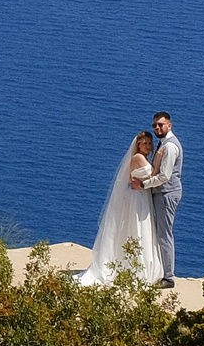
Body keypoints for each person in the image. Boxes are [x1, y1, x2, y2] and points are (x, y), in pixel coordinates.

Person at [76, 130, 160, 286]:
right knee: (138, 228)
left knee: (141, 228)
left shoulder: (142, 158)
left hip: (141, 195)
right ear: (138, 145)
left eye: (150, 143)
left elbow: (130, 176)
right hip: (138, 197)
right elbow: (153, 176)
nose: (148, 146)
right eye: (145, 144)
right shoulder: (138, 158)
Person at [129, 112, 184, 287]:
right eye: (155, 125)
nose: (157, 128)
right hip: (162, 193)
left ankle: (168, 277)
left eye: (161, 125)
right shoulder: (164, 144)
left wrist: (144, 185)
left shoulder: (169, 147)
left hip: (166, 193)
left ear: (169, 125)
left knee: (164, 234)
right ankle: (161, 270)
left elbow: (164, 176)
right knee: (160, 232)